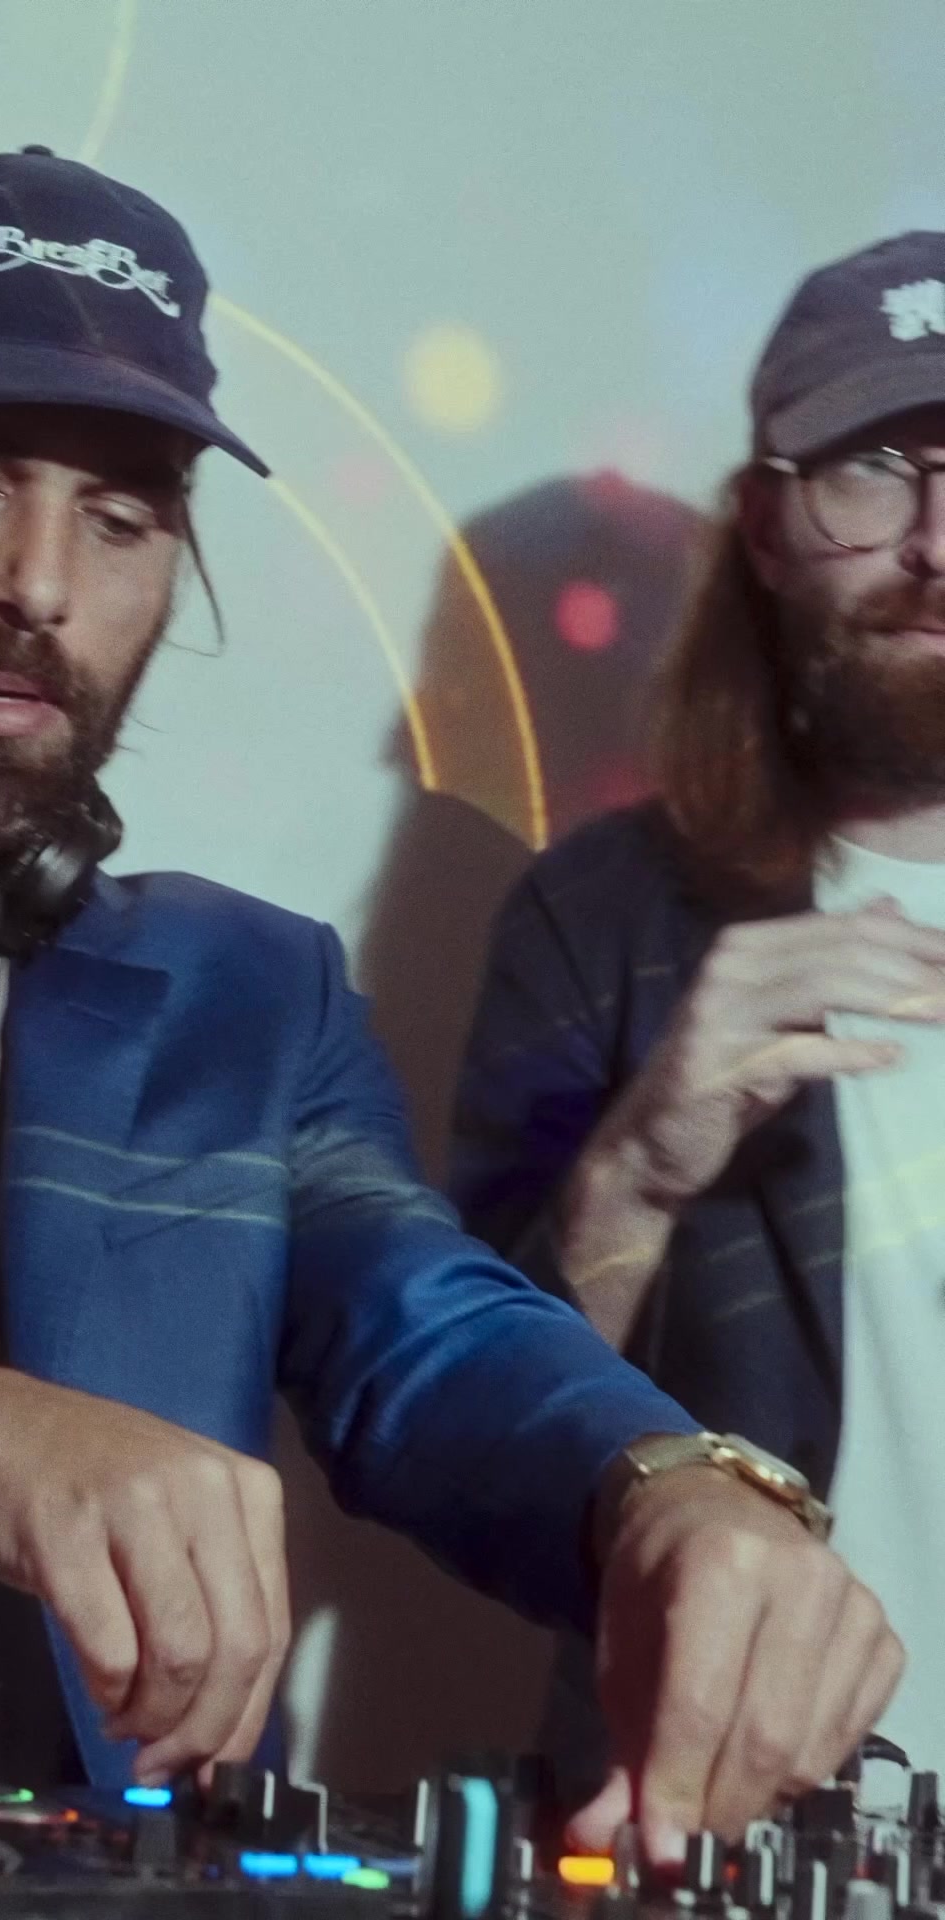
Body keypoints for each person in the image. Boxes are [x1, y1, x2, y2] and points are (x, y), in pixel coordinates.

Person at [0, 149, 899, 1861]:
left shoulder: (246, 999)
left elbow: (438, 1332)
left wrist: (674, 1491)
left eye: (124, 520)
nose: (40, 583)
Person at [452, 230, 945, 1808]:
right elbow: (460, 1433)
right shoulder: (602, 921)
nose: (938, 543)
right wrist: (640, 1169)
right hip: (722, 1832)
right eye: (877, 471)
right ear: (768, 526)